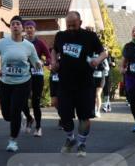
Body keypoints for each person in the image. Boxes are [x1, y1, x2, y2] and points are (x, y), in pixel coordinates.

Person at [51, 11, 106, 157]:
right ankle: (70, 139)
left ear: (80, 23)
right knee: (64, 114)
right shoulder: (60, 36)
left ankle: (82, 144)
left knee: (84, 117)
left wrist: (97, 60)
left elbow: (103, 53)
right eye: (68, 25)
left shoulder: (90, 36)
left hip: (85, 84)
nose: (70, 28)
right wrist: (54, 61)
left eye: (73, 25)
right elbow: (54, 50)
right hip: (65, 82)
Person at [0, 16, 41, 152]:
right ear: (10, 27)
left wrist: (38, 64)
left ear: (22, 27)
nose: (15, 26)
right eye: (13, 24)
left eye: (18, 24)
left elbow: (35, 61)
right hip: (5, 82)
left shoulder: (29, 46)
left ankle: (13, 141)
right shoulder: (2, 43)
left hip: (23, 82)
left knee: (15, 111)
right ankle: (21, 117)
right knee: (7, 115)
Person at [21, 19, 50, 136]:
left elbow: (49, 57)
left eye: (31, 27)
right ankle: (29, 118)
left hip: (37, 73)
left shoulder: (40, 43)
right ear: (24, 30)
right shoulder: (21, 42)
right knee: (22, 99)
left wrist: (44, 63)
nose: (29, 30)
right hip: (24, 74)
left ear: (34, 29)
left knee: (35, 101)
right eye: (27, 28)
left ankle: (38, 127)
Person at [92, 42, 110, 117]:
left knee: (98, 94)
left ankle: (98, 111)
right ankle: (94, 108)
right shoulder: (91, 53)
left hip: (101, 77)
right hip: (93, 77)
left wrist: (101, 66)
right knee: (93, 95)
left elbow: (107, 68)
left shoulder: (102, 55)